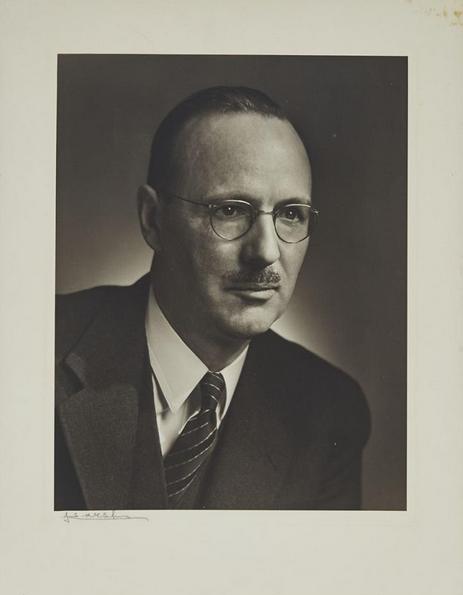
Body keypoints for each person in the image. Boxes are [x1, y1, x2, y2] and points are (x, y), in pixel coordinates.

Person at [55, 86, 370, 511]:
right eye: (230, 210)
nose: (266, 251)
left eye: (290, 214)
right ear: (153, 220)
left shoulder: (329, 411)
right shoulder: (36, 350)